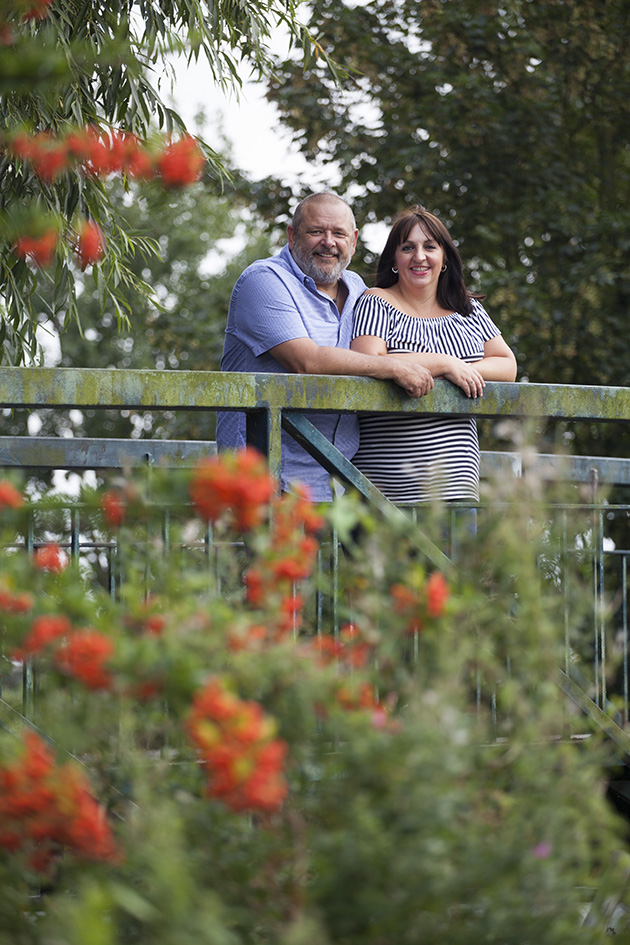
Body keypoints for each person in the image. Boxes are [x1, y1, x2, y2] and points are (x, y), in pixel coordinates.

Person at [216, 192, 434, 501]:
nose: (328, 242)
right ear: (293, 235)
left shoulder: (360, 290)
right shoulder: (263, 281)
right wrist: (394, 366)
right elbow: (307, 362)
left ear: (354, 240)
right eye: (316, 231)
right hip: (268, 483)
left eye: (339, 233)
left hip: (342, 485)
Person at [350, 205, 517, 505]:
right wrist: (446, 364)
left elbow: (507, 365)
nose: (419, 256)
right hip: (386, 492)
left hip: (456, 490)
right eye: (407, 247)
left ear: (444, 260)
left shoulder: (468, 309)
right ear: (394, 260)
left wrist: (462, 370)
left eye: (430, 247)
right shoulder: (376, 302)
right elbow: (368, 361)